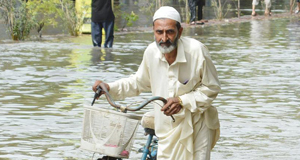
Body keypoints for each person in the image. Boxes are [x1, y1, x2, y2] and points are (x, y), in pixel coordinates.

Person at [92, 6, 221, 160]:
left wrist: (182, 100)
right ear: (153, 31)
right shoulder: (151, 52)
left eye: (170, 32)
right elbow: (138, 82)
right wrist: (110, 87)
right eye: (159, 32)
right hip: (166, 128)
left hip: (197, 125)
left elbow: (211, 87)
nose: (164, 38)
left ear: (179, 32)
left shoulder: (197, 51)